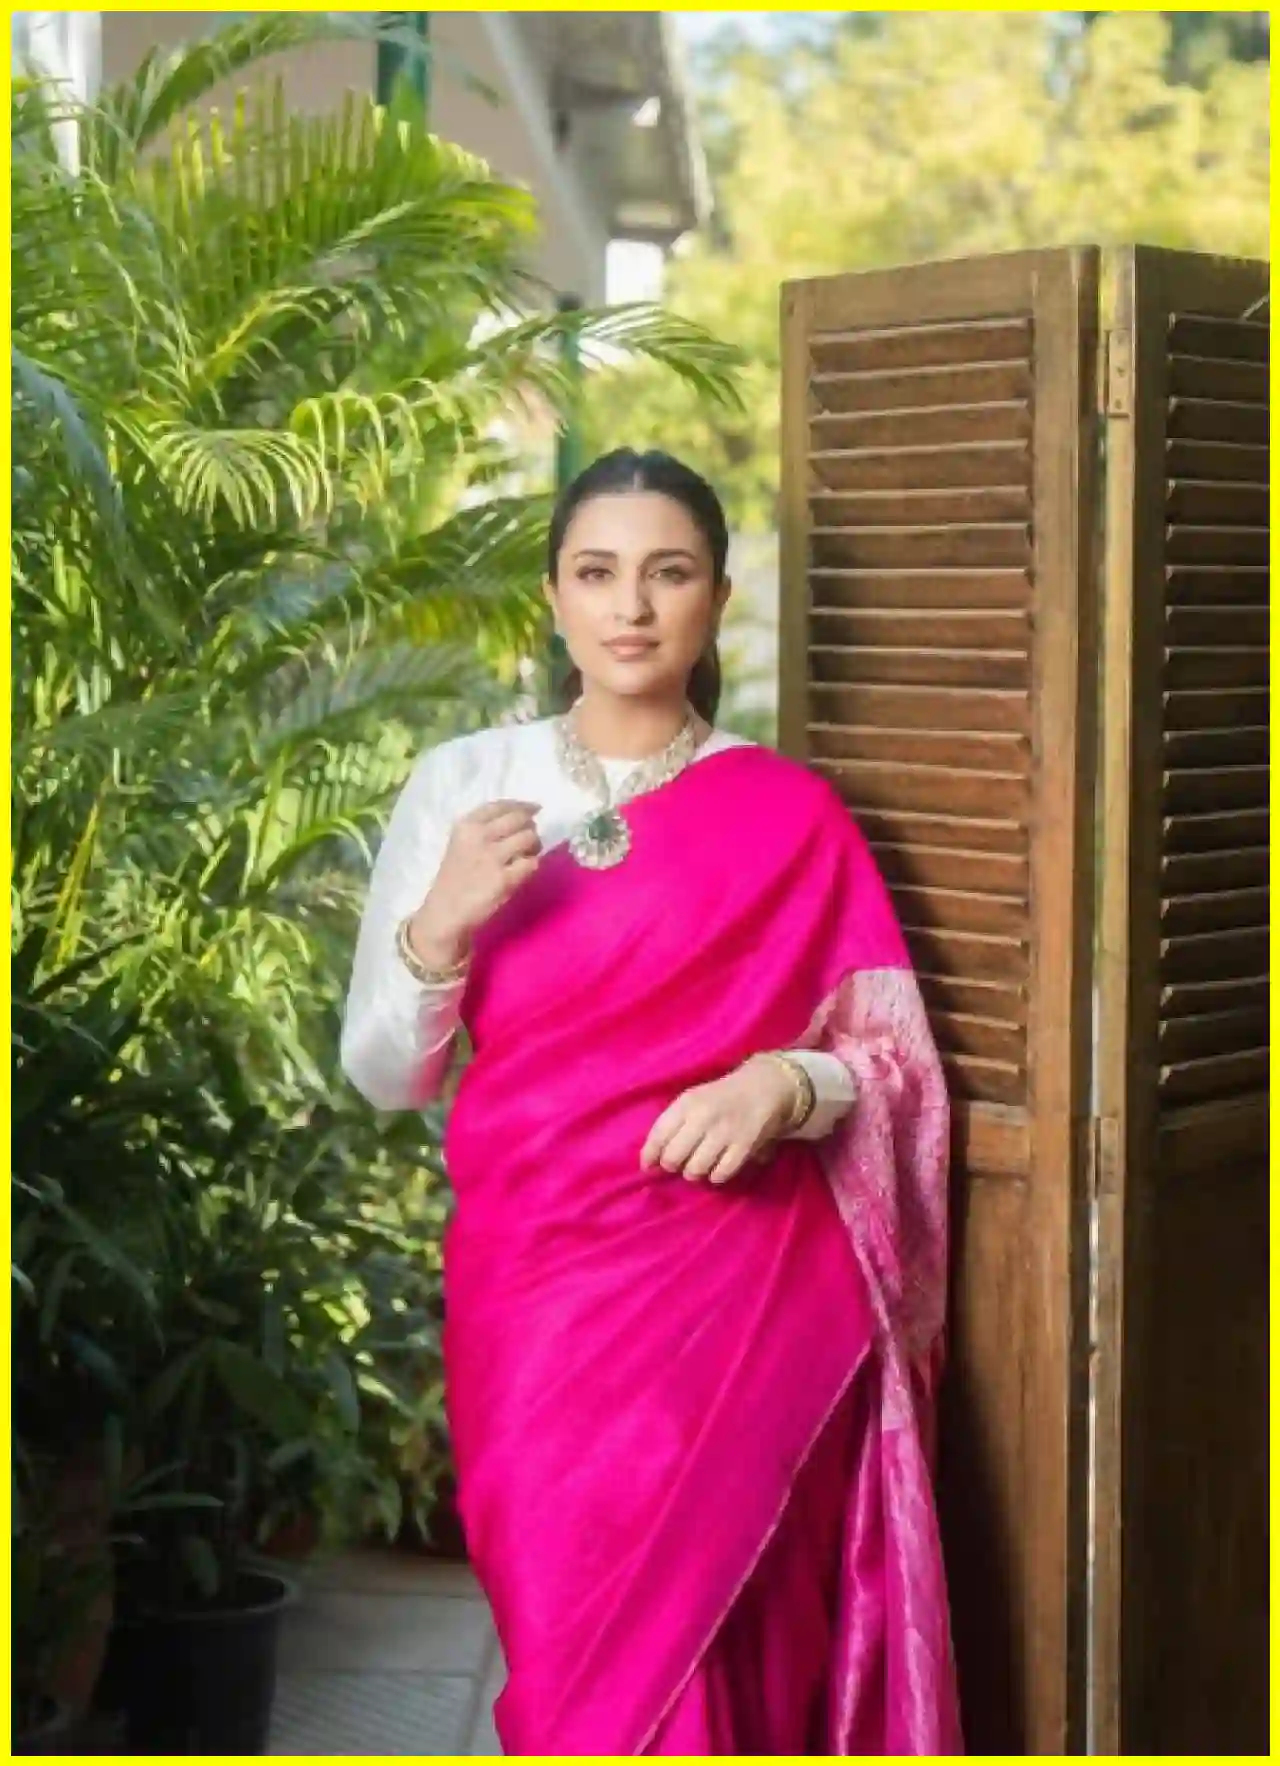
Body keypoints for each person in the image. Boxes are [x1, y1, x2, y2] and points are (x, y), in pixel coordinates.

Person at [341, 449, 962, 1755]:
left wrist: (787, 1081)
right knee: (575, 1657)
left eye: (668, 573)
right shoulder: (464, 785)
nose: (631, 605)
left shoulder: (790, 814)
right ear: (554, 597)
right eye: (598, 572)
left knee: (730, 1640)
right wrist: (439, 927)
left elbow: (895, 1063)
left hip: (740, 1288)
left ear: (716, 598)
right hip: (536, 1292)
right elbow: (387, 1072)